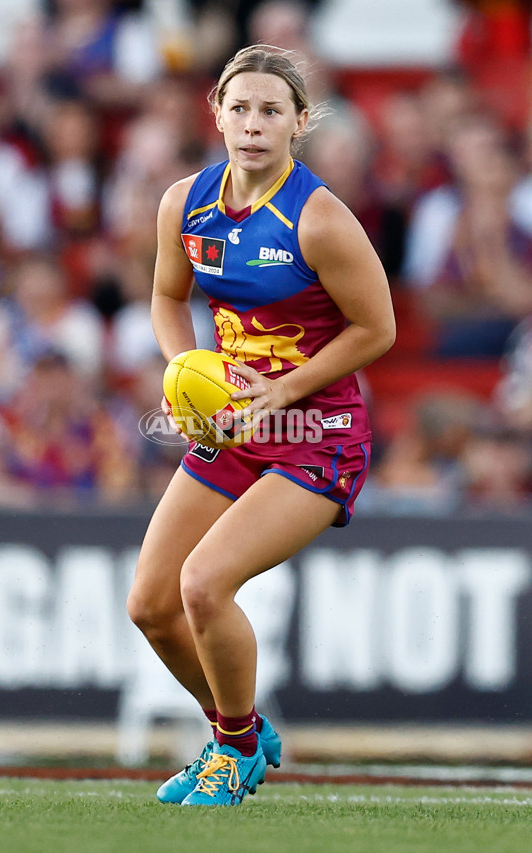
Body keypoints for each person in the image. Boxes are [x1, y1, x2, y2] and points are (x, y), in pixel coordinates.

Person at [126, 45, 395, 807]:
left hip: (319, 432)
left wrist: (282, 394)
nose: (252, 124)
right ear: (215, 112)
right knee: (150, 604)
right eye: (239, 108)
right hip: (235, 426)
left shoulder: (320, 219)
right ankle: (239, 733)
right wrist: (186, 375)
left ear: (299, 123)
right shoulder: (184, 202)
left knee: (205, 585)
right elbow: (164, 298)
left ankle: (231, 754)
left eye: (271, 110)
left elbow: (377, 329)